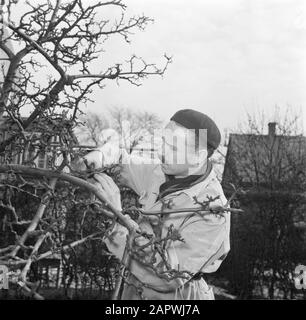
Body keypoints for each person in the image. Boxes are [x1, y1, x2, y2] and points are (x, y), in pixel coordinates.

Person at [73, 109, 230, 300]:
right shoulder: (161, 173)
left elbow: (167, 276)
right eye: (163, 142)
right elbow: (121, 162)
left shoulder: (213, 211)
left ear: (198, 156)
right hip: (135, 288)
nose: (162, 152)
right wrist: (97, 158)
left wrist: (117, 218)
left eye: (173, 148)